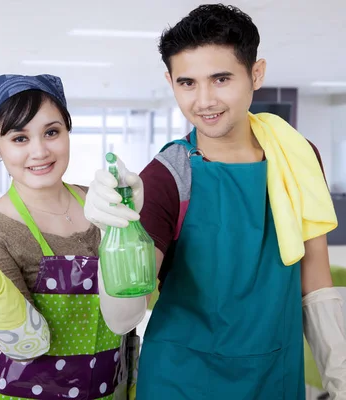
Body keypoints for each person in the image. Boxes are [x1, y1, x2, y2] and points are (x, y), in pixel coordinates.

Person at [84, 4, 346, 399]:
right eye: (187, 83)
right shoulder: (166, 177)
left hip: (276, 376)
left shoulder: (297, 156)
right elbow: (123, 318)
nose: (203, 100)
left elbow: (316, 281)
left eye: (220, 78)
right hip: (183, 381)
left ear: (255, 74)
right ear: (170, 81)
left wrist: (338, 377)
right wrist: (117, 234)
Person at [0, 74, 139, 399]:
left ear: (68, 133)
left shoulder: (102, 203)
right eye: (19, 138)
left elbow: (141, 299)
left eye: (52, 132)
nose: (39, 151)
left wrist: (132, 230)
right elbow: (28, 346)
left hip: (109, 388)